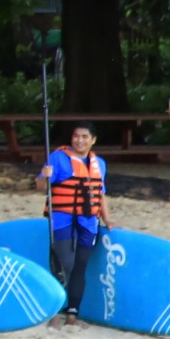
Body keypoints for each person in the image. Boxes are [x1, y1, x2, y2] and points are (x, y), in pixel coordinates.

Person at [40, 122, 107, 323]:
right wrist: (45, 177)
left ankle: (72, 313)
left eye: (85, 136)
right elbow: (40, 186)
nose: (79, 140)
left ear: (93, 140)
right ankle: (54, 312)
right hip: (61, 218)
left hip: (89, 221)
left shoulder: (100, 164)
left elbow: (101, 194)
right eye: (76, 136)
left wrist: (108, 220)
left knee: (80, 266)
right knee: (64, 263)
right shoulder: (57, 158)